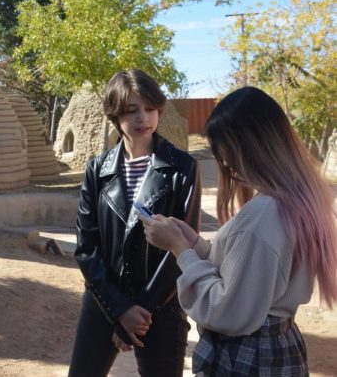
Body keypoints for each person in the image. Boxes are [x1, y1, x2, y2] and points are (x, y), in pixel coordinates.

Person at [141, 86, 337, 376]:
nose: (228, 165)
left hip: (246, 356)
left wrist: (180, 251)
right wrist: (196, 244)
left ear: (250, 147)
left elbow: (225, 311)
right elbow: (248, 272)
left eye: (227, 153)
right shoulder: (296, 200)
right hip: (278, 347)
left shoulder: (263, 216)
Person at [69, 70, 202, 377]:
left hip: (162, 304)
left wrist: (140, 313)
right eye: (131, 110)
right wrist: (119, 309)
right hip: (104, 301)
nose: (144, 118)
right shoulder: (97, 169)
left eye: (150, 108)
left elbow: (182, 247)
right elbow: (87, 248)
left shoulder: (183, 168)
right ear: (115, 116)